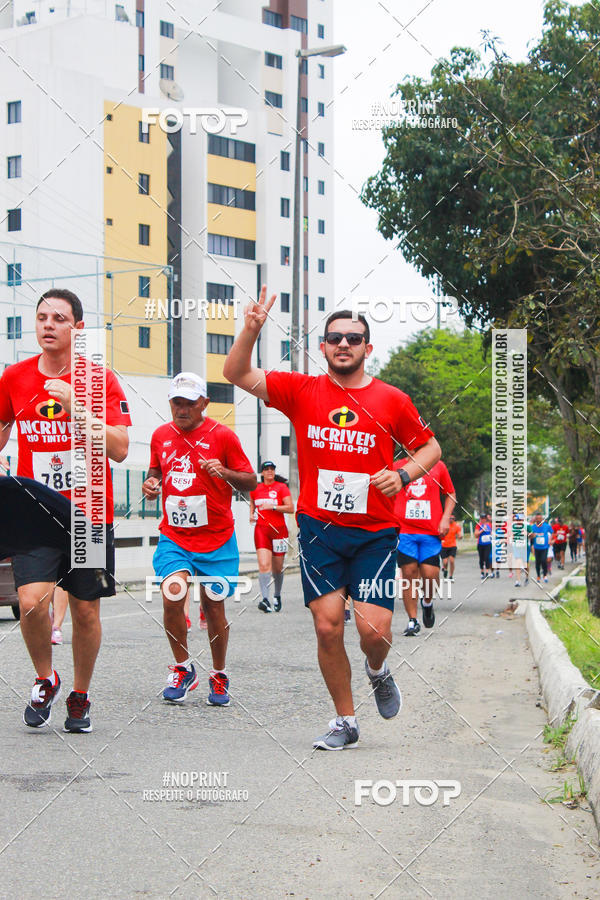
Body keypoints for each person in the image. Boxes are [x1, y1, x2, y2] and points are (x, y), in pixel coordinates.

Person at [223, 288, 441, 750]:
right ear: (322, 346)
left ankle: (377, 670)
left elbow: (431, 448)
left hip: (376, 533)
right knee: (327, 626)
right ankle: (345, 720)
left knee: (373, 631)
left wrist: (402, 475)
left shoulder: (392, 400)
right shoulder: (302, 390)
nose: (344, 344)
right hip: (320, 530)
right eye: (335, 338)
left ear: (367, 348)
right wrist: (252, 328)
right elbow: (235, 372)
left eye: (353, 338)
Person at [0, 288, 131, 732]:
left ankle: (80, 694)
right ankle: (44, 677)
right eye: (42, 317)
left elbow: (119, 449)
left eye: (59, 318)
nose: (48, 325)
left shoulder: (100, 380)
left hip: (89, 513)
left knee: (86, 610)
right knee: (31, 601)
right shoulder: (14, 378)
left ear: (77, 327)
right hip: (33, 510)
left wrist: (76, 405)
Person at [142, 373, 256, 707]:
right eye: (177, 402)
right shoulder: (160, 436)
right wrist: (151, 485)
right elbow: (156, 472)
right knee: (172, 595)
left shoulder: (224, 436)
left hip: (217, 539)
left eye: (190, 403)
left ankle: (219, 673)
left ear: (204, 404)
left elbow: (249, 480)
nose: (182, 409)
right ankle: (182, 667)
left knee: (213, 607)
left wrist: (225, 472)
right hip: (175, 536)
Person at [394, 459, 456, 636]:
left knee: (430, 575)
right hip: (405, 530)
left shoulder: (438, 465)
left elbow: (451, 493)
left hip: (430, 532)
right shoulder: (397, 466)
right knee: (408, 574)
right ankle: (412, 621)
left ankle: (427, 602)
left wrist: (445, 518)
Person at [250, 461, 294, 612]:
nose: (269, 471)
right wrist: (251, 515)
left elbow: (290, 508)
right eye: (266, 469)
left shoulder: (281, 488)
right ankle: (265, 599)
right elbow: (252, 504)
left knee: (278, 567)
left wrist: (273, 507)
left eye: (272, 469)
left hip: (279, 531)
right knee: (263, 565)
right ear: (262, 473)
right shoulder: (256, 488)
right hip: (261, 530)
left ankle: (277, 595)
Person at [530, 513, 553, 583]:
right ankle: (538, 576)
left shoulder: (547, 526)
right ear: (535, 519)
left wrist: (550, 540)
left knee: (543, 561)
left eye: (540, 519)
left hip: (545, 547)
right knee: (537, 562)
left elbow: (552, 533)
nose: (538, 520)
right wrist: (532, 536)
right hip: (536, 547)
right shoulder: (533, 527)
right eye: (537, 519)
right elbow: (529, 536)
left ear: (542, 519)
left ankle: (545, 575)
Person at [440, 515, 462, 581]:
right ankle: (445, 569)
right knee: (445, 562)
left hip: (452, 546)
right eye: (449, 518)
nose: (451, 520)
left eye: (452, 518)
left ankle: (451, 576)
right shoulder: (444, 525)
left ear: (454, 519)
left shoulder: (456, 526)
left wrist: (460, 536)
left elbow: (459, 533)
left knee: (452, 561)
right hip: (444, 546)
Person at [475, 514, 493, 579]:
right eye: (482, 518)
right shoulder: (478, 525)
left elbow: (492, 533)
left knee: (487, 557)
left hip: (488, 544)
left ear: (486, 519)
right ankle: (482, 572)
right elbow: (476, 535)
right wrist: (482, 530)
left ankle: (487, 572)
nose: (483, 519)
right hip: (480, 544)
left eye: (484, 518)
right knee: (481, 558)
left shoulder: (489, 525)